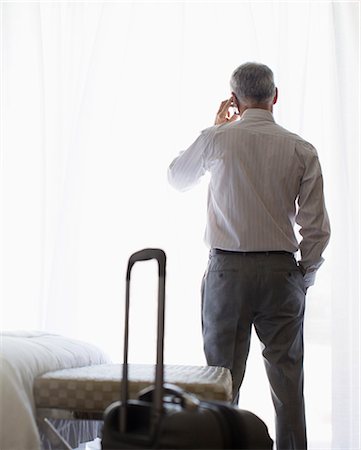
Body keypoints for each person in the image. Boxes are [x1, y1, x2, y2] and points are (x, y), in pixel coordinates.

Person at [167, 62, 331, 450]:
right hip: (281, 274)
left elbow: (177, 178)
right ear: (275, 97)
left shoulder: (217, 139)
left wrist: (218, 127)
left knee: (220, 385)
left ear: (235, 100)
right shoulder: (301, 149)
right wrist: (303, 275)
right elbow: (316, 228)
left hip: (227, 274)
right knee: (289, 384)